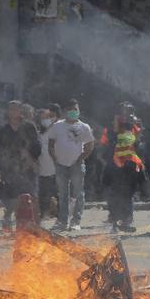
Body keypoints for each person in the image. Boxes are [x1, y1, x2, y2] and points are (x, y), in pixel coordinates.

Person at [0, 101, 41, 229]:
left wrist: (31, 158)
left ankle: (36, 226)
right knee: (13, 199)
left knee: (32, 197)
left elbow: (37, 146)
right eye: (11, 109)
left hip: (28, 167)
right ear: (8, 112)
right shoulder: (2, 131)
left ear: (21, 111)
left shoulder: (29, 127)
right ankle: (11, 222)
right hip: (10, 169)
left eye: (16, 109)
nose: (14, 112)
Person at [47, 99, 94, 231]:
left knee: (78, 193)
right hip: (60, 165)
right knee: (62, 194)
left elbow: (90, 145)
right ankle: (62, 221)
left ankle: (76, 221)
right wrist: (54, 158)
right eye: (70, 110)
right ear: (64, 111)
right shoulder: (57, 126)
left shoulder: (84, 127)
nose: (73, 112)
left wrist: (81, 158)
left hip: (76, 165)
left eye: (76, 110)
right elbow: (51, 144)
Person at [102, 103, 146, 233]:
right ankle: (115, 220)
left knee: (128, 193)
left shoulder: (134, 127)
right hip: (114, 165)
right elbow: (105, 143)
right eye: (123, 112)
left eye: (129, 112)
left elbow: (138, 145)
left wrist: (138, 129)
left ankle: (126, 220)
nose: (126, 116)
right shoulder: (111, 128)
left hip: (130, 165)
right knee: (114, 192)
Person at [37, 104, 61, 220]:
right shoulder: (39, 133)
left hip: (58, 169)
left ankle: (61, 216)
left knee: (59, 193)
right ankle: (43, 214)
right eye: (44, 118)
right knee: (44, 194)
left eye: (50, 116)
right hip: (43, 170)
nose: (47, 119)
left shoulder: (60, 131)